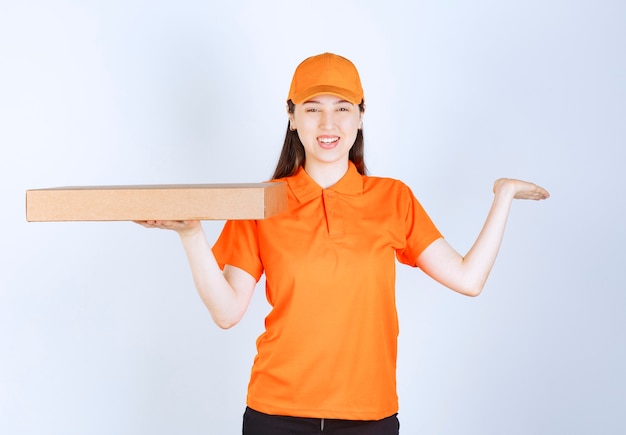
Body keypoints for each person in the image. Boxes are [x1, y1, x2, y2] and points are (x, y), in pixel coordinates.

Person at [136, 52, 549, 435]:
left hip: (369, 417)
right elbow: (227, 312)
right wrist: (190, 233)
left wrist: (504, 195)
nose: (328, 125)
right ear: (292, 117)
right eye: (313, 110)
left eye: (342, 109)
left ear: (361, 116)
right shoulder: (262, 202)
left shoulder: (393, 199)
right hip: (275, 414)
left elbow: (468, 278)